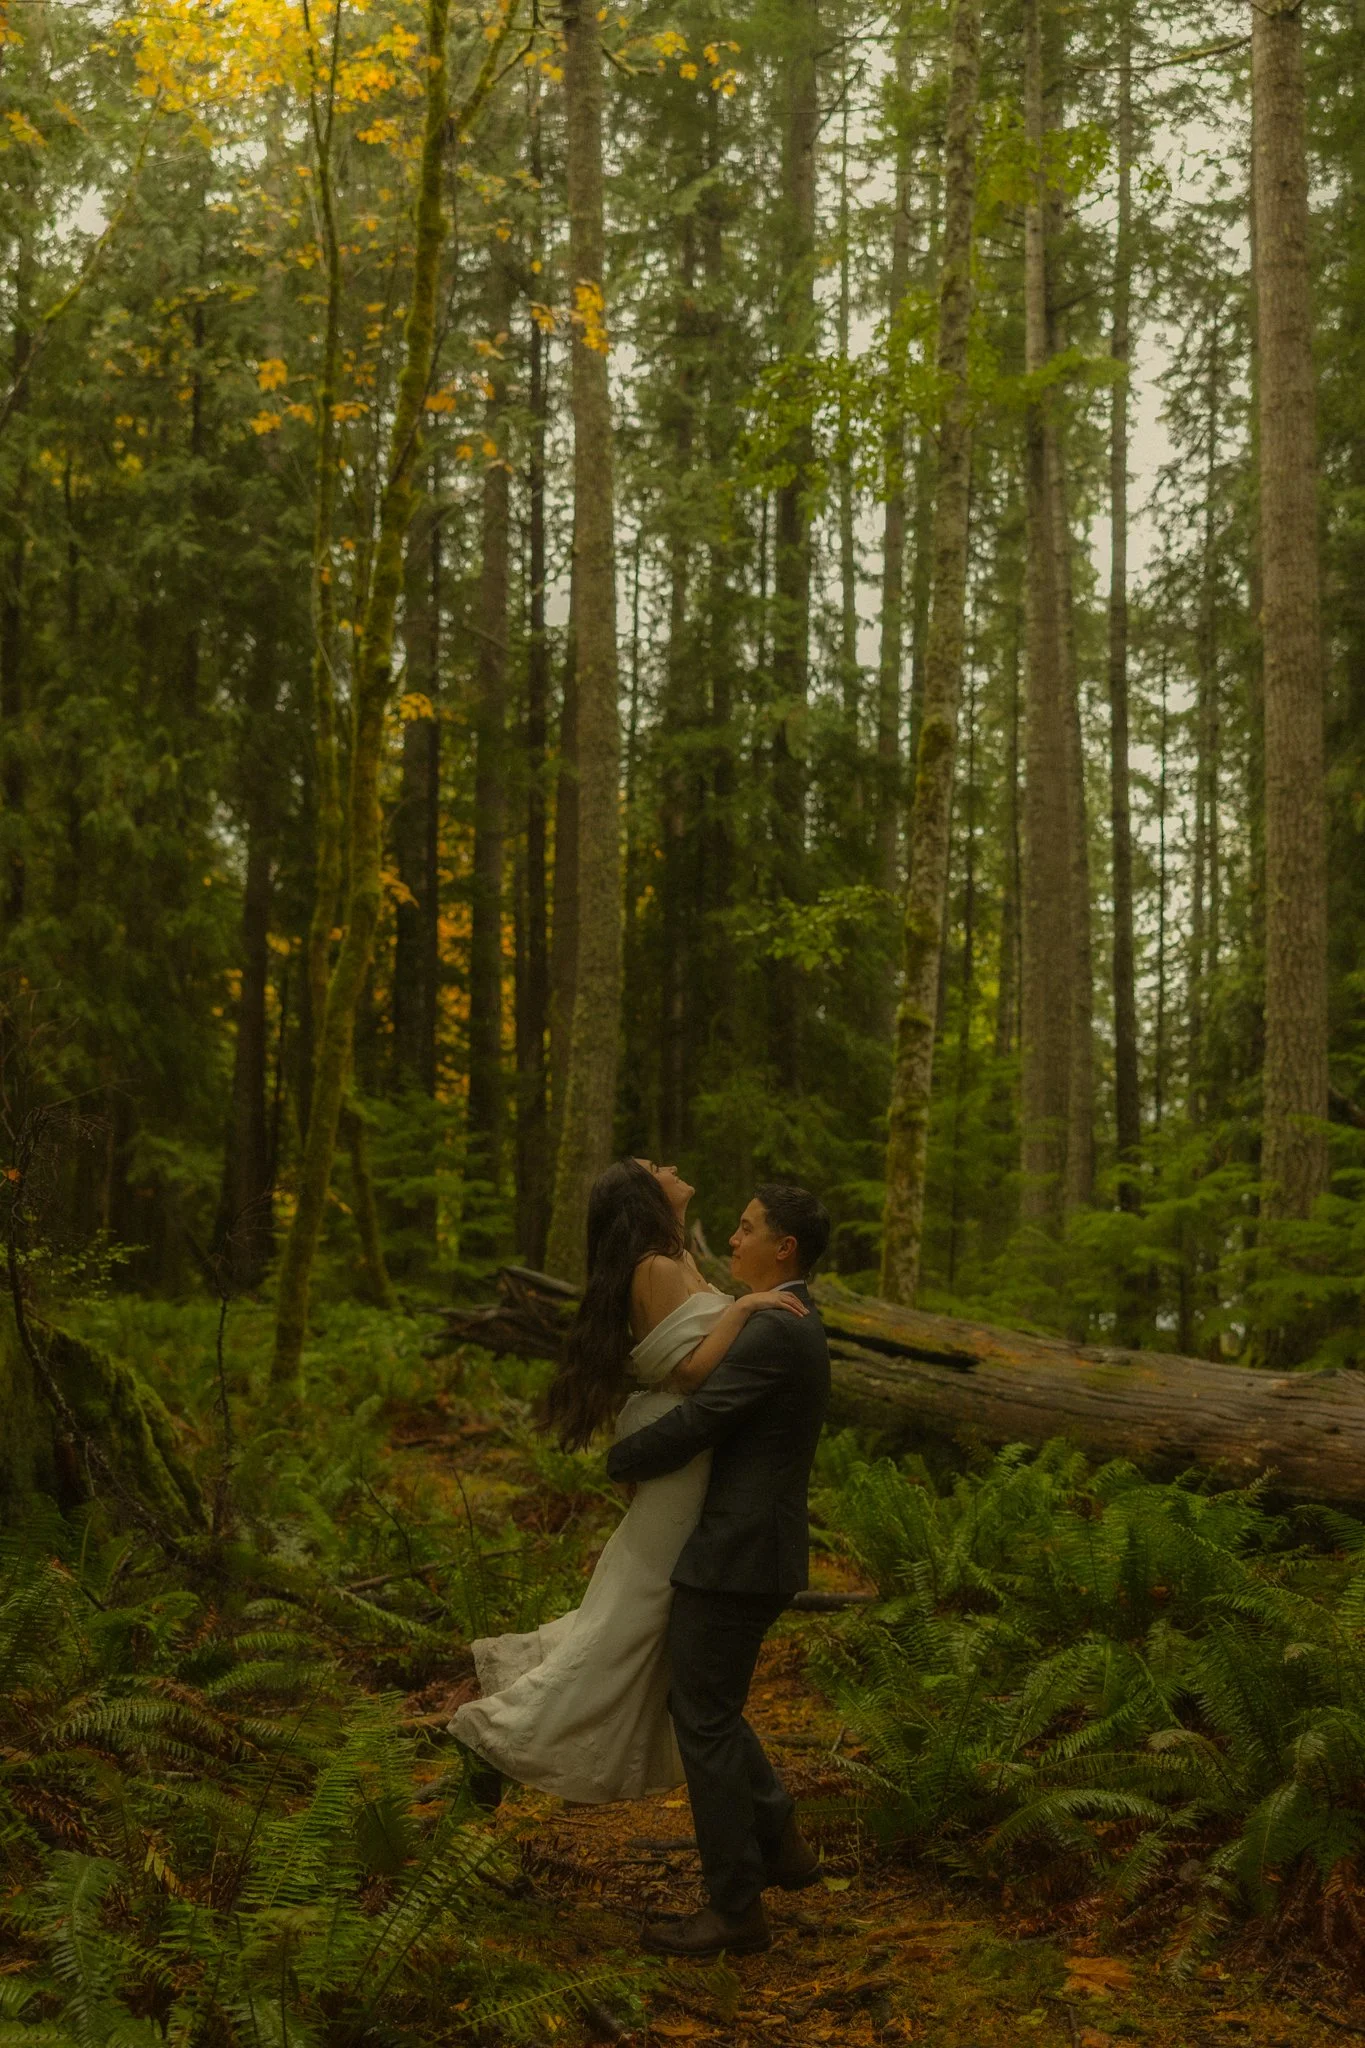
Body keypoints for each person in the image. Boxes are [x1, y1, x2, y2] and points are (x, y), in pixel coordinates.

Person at [449, 1157, 807, 1806]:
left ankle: (513, 1713)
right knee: (633, 1615)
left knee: (628, 1610)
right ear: (645, 1193)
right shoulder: (656, 1267)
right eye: (654, 1166)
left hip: (684, 1453)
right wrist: (747, 1308)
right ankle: (495, 1733)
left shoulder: (675, 1259)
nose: (670, 1166)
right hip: (678, 1455)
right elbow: (691, 1373)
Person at [606, 1181, 832, 1958]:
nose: (730, 1241)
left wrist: (620, 1457)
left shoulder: (779, 1328)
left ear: (784, 1249)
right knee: (712, 1708)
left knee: (700, 1717)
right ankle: (779, 1844)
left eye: (744, 1229)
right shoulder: (781, 1319)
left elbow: (704, 1417)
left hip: (738, 1554)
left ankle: (735, 1908)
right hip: (746, 1548)